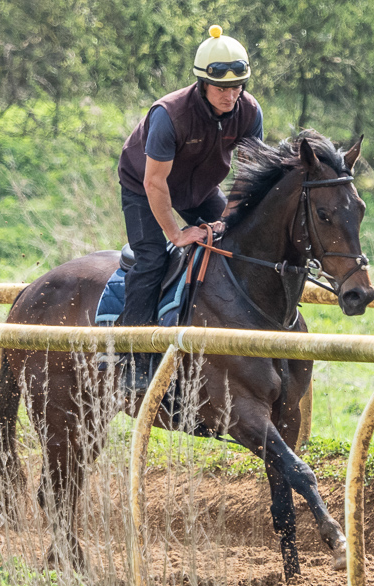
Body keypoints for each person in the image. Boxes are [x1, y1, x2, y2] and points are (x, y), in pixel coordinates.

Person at [115, 25, 264, 390]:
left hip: (199, 189)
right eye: (222, 88)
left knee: (232, 244)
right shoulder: (169, 114)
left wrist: (226, 221)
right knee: (151, 258)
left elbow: (250, 177)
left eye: (238, 87)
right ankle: (130, 357)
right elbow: (154, 183)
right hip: (143, 186)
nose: (231, 96)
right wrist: (177, 234)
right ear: (202, 82)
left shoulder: (249, 111)